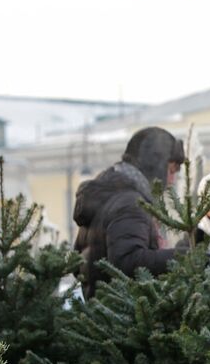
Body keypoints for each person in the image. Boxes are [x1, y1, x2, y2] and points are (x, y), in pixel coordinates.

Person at [72, 127, 186, 297]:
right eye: (170, 171)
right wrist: (184, 257)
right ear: (155, 164)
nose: (171, 181)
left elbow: (77, 262)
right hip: (123, 314)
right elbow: (128, 262)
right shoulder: (129, 203)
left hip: (101, 312)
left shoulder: (109, 195)